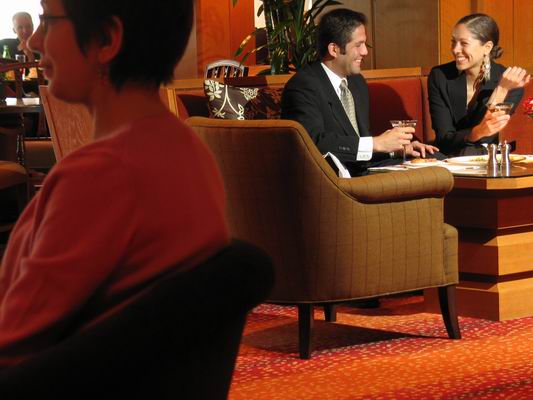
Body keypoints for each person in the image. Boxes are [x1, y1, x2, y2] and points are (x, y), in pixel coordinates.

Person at [0, 0, 229, 367]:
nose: (33, 42)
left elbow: (12, 347)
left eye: (48, 20)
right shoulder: (190, 151)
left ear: (106, 39)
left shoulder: (102, 176)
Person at [281, 8, 438, 176]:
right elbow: (314, 144)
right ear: (334, 49)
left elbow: (360, 149)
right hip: (333, 180)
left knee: (435, 162)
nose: (365, 52)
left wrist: (395, 150)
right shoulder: (303, 86)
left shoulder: (357, 83)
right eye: (358, 45)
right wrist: (376, 143)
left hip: (365, 171)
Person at [428, 13, 530, 157]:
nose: (455, 49)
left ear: (487, 47)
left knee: (471, 151)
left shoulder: (509, 82)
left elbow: (487, 137)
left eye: (464, 43)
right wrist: (475, 133)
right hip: (449, 156)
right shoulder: (440, 76)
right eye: (453, 42)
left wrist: (501, 90)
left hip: (488, 157)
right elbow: (444, 139)